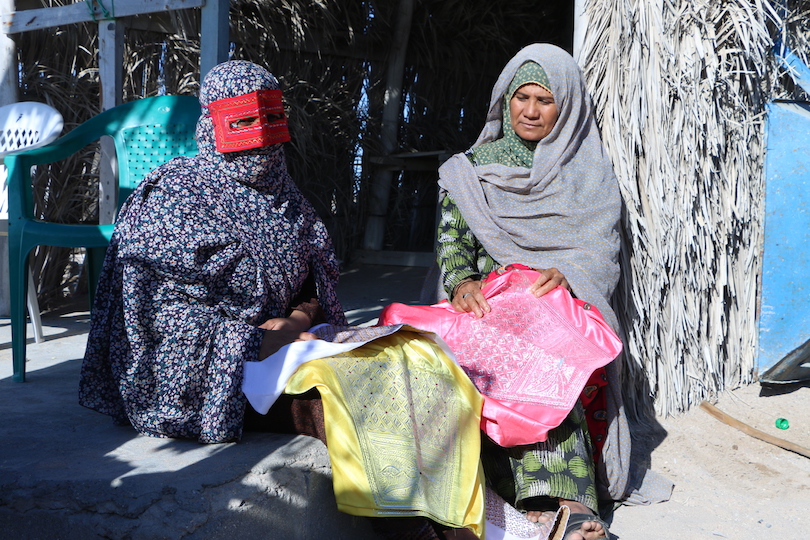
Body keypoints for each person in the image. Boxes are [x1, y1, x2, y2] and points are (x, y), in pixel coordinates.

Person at [79, 60, 486, 539]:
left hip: (289, 347)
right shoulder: (174, 197)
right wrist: (249, 343)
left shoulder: (286, 197)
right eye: (243, 122)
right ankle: (417, 528)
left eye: (270, 119)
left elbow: (314, 286)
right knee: (349, 397)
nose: (260, 137)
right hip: (211, 374)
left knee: (420, 360)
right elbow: (152, 326)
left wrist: (295, 320)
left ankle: (469, 510)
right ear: (213, 125)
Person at [434, 43, 670, 539]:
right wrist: (462, 283)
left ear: (566, 105)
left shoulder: (586, 172)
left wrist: (566, 273)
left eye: (546, 100)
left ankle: (567, 497)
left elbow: (597, 251)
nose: (532, 111)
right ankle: (530, 496)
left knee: (549, 353)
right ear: (505, 99)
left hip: (554, 302)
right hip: (487, 301)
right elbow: (452, 240)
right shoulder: (470, 168)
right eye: (522, 98)